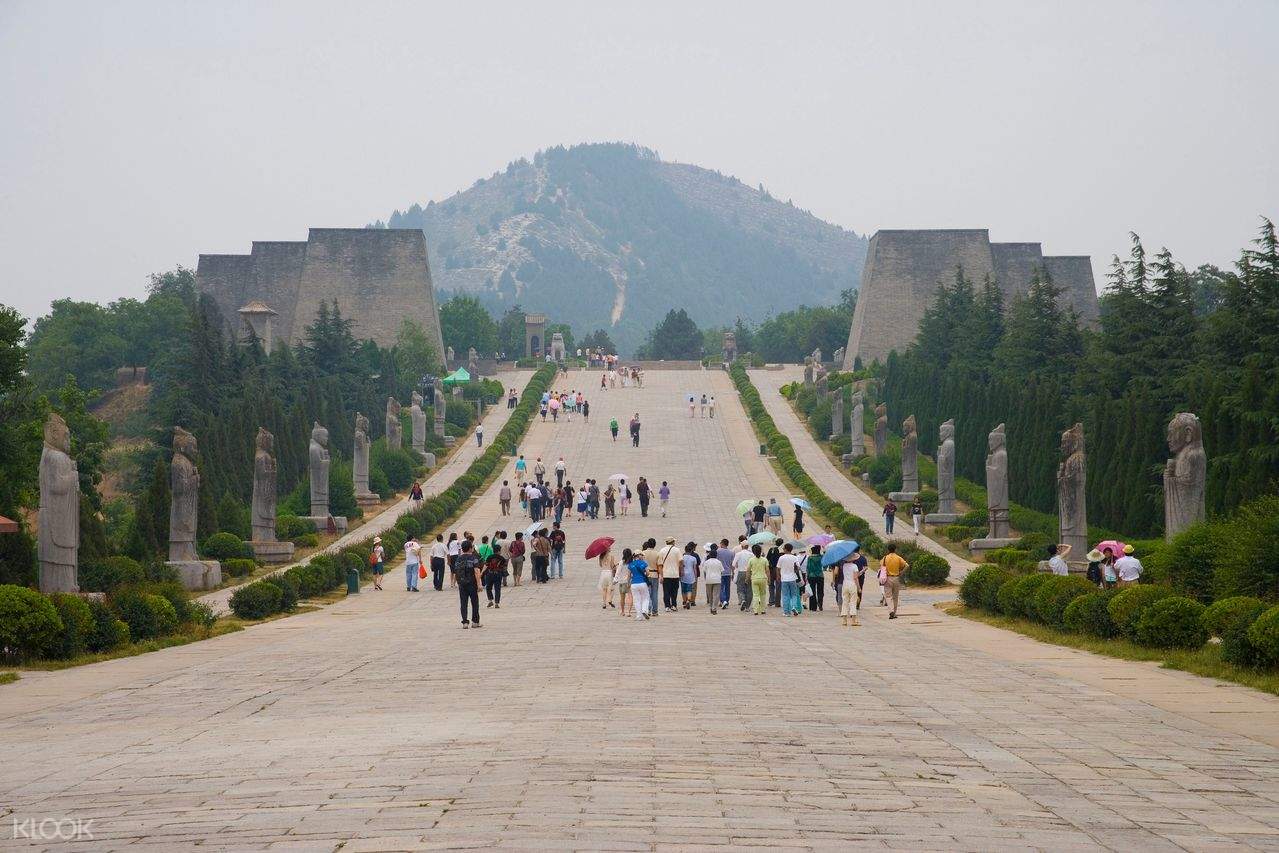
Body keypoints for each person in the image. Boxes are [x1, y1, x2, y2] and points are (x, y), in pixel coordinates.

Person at [455, 540, 483, 628]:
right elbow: (476, 571)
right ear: (470, 548)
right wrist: (479, 584)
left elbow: (456, 571)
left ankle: (465, 622)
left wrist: (458, 582)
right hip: (472, 583)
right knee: (474, 602)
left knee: (463, 603)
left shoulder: (458, 559)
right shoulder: (473, 558)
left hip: (462, 583)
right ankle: (475, 622)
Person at [839, 546, 867, 626]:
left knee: (845, 601)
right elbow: (855, 578)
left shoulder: (844, 566)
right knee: (853, 602)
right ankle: (853, 620)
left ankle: (844, 620)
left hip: (845, 584)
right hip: (852, 584)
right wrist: (859, 588)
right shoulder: (854, 566)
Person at [881, 543, 909, 619]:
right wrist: (901, 572)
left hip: (887, 578)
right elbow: (907, 565)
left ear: (888, 549)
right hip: (896, 578)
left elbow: (882, 567)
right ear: (895, 549)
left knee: (888, 596)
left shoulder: (885, 558)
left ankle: (891, 611)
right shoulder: (898, 558)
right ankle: (894, 613)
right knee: (895, 597)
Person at [656, 537, 682, 612]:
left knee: (666, 591)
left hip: (666, 574)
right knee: (674, 591)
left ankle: (667, 606)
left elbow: (660, 565)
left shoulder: (662, 550)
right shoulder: (677, 550)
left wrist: (661, 576)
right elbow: (681, 561)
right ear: (673, 542)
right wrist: (680, 570)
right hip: (675, 574)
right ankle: (674, 605)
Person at [626, 548, 651, 621]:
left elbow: (628, 576)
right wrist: (645, 574)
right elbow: (648, 573)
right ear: (639, 555)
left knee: (637, 600)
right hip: (642, 582)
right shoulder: (644, 563)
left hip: (633, 584)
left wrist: (628, 583)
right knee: (646, 598)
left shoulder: (630, 564)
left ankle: (639, 616)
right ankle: (644, 610)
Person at [777, 543, 801, 616]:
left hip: (784, 579)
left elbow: (778, 568)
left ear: (786, 549)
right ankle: (794, 607)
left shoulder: (781, 558)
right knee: (794, 595)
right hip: (793, 578)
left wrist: (778, 576)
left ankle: (786, 612)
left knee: (785, 595)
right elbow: (798, 568)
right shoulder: (794, 557)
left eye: (784, 548)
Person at [641, 538, 661, 617]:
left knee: (647, 593)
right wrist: (661, 575)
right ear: (654, 545)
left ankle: (648, 609)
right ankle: (655, 611)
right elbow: (659, 566)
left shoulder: (643, 553)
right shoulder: (657, 554)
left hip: (646, 574)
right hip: (655, 574)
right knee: (654, 593)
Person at [483, 543, 506, 608]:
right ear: (499, 551)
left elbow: (486, 565)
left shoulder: (489, 557)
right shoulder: (502, 558)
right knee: (497, 589)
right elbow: (504, 566)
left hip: (489, 574)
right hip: (498, 574)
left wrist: (482, 572)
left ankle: (490, 601)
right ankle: (496, 603)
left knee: (488, 588)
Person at [702, 544, 723, 614]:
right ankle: (714, 608)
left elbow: (704, 571)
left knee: (710, 595)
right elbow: (721, 571)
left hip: (708, 580)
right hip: (717, 580)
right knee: (716, 595)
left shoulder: (706, 562)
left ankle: (711, 607)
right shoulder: (719, 562)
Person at [749, 544, 769, 615]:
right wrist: (769, 579)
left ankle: (756, 610)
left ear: (753, 552)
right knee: (763, 594)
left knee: (755, 595)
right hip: (763, 578)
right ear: (760, 551)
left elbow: (748, 570)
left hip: (754, 579)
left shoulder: (751, 560)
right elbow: (767, 570)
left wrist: (747, 578)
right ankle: (763, 609)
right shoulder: (764, 560)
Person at [733, 538, 753, 611]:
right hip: (749, 573)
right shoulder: (751, 554)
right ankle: (747, 607)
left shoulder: (738, 554)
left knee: (740, 588)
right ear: (747, 546)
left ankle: (743, 599)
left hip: (741, 572)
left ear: (742, 546)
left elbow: (733, 564)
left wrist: (734, 572)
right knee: (749, 590)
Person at [680, 541, 700, 609]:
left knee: (683, 589)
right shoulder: (694, 557)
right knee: (690, 589)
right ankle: (690, 600)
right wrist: (695, 576)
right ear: (691, 550)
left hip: (683, 575)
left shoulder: (682, 557)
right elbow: (695, 568)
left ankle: (684, 601)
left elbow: (680, 566)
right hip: (691, 575)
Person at [806, 545, 825, 611]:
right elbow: (824, 566)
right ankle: (820, 603)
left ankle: (813, 607)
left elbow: (808, 567)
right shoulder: (821, 557)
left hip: (811, 576)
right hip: (820, 575)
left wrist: (807, 576)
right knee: (820, 591)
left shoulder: (810, 558)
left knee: (812, 591)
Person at [716, 539, 734, 609]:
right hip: (728, 572)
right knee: (727, 588)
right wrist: (733, 572)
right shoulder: (731, 552)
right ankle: (726, 600)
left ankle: (723, 601)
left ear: (722, 543)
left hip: (720, 572)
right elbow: (732, 564)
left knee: (720, 588)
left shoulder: (718, 551)